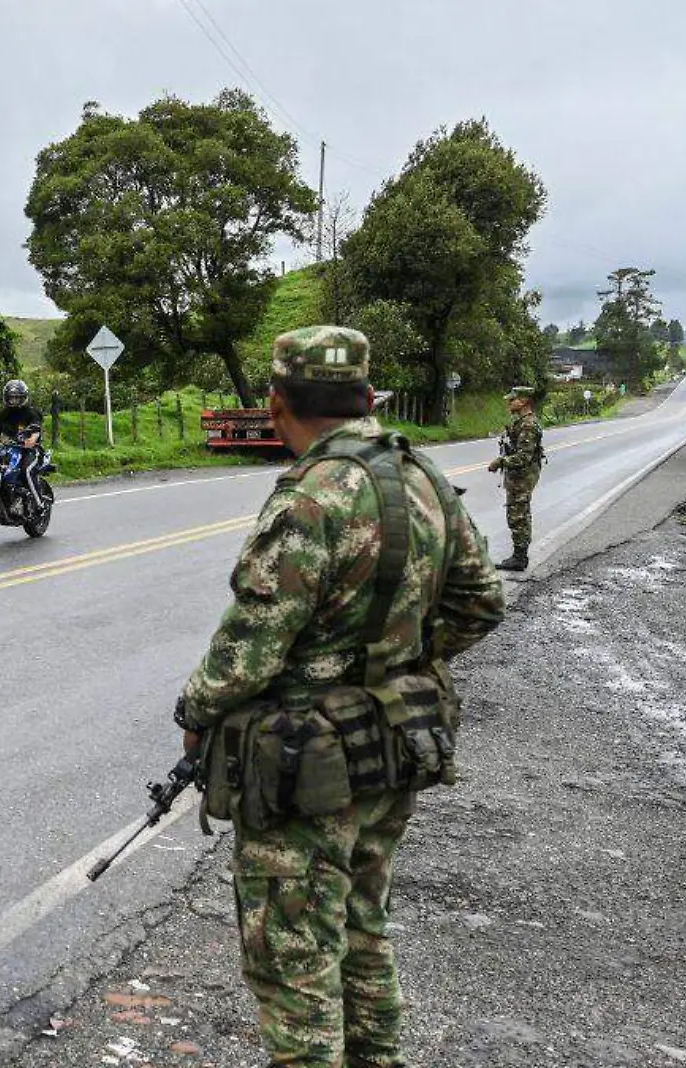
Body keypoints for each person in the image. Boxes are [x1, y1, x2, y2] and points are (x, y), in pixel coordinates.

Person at [175, 325, 506, 1068]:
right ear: (366, 396)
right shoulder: (420, 476)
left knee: (293, 962)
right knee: (363, 930)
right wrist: (398, 661)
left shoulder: (313, 496)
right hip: (395, 739)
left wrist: (196, 712)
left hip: (308, 766)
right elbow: (481, 602)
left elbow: (251, 647)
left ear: (277, 402)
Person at [486, 385, 543, 572]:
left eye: (513, 399)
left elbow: (524, 457)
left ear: (524, 401)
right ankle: (519, 556)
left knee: (518, 515)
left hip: (522, 477)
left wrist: (500, 461)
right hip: (518, 476)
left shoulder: (528, 425)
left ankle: (519, 558)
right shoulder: (520, 422)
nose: (510, 403)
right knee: (518, 513)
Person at [0, 379, 43, 444]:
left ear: (23, 397)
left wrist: (31, 439)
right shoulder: (3, 413)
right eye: (11, 397)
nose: (14, 401)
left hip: (30, 449)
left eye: (17, 398)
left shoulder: (32, 412)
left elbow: (35, 432)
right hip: (8, 448)